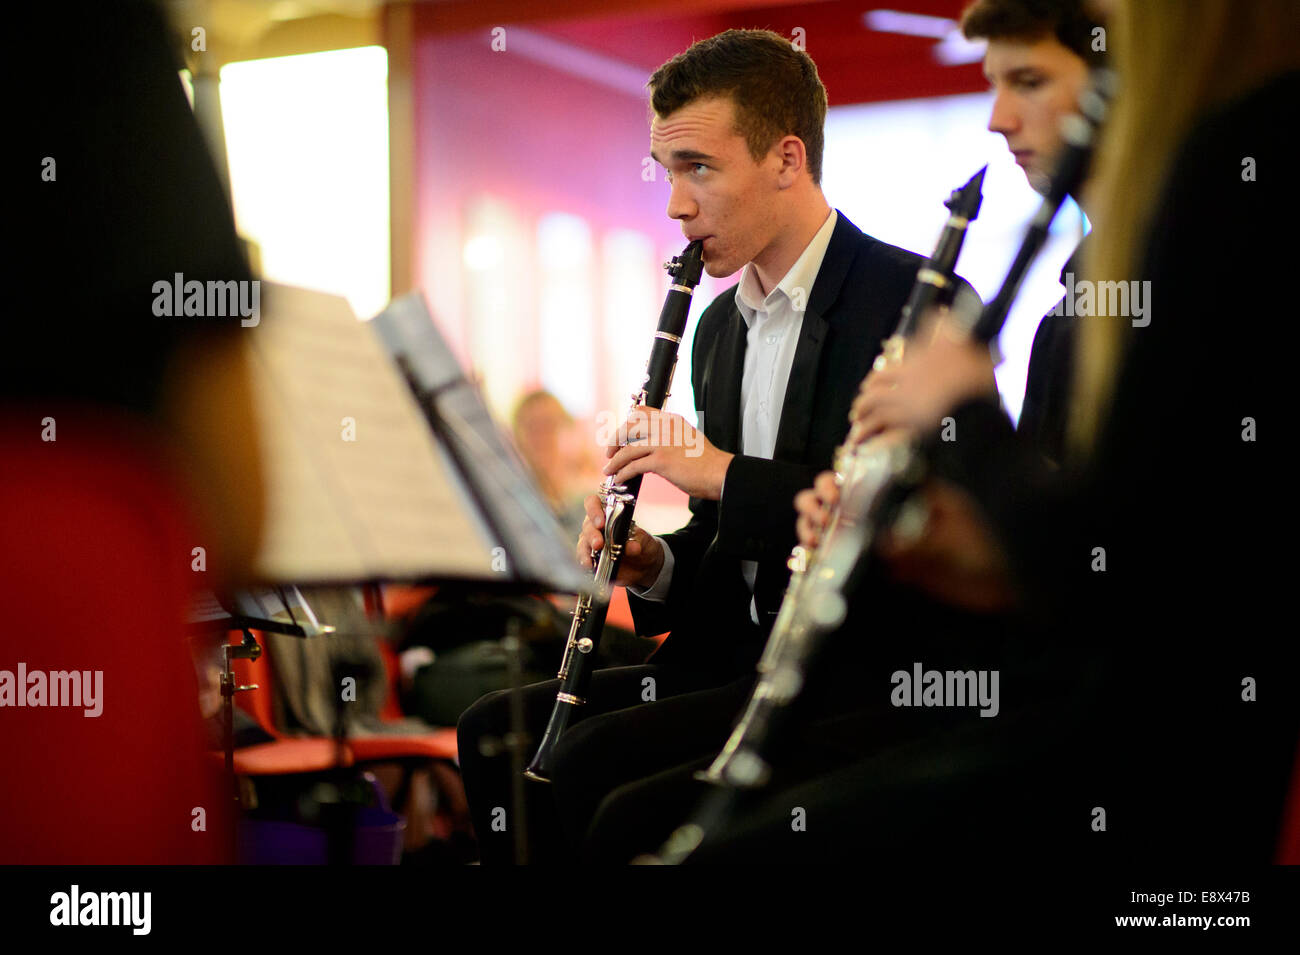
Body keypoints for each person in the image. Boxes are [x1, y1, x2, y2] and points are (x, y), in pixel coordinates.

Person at [697, 0, 1299, 861]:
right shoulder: (1093, 284)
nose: (997, 119)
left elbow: (1131, 580)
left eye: (1029, 81)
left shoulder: (1228, 185)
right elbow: (1099, 554)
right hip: (1080, 703)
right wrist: (950, 549)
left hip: (1154, 750)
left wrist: (965, 417)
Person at [456, 28, 977, 863]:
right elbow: (725, 540)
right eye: (668, 171)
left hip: (856, 670)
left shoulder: (912, 304)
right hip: (730, 656)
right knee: (490, 733)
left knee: (596, 776)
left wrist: (717, 470)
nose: (675, 203)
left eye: (699, 166)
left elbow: (912, 525)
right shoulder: (714, 334)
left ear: (786, 158)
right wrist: (652, 562)